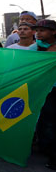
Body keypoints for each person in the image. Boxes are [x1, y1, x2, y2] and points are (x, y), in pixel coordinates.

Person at [28, 19, 56, 170]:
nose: (38, 33)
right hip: (47, 91)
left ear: (53, 32)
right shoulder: (35, 48)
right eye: (36, 30)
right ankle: (51, 153)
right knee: (48, 123)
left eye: (42, 30)